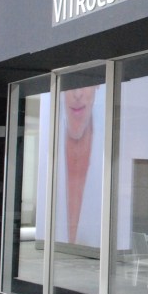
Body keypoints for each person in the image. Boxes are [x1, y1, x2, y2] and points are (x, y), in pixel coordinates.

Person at [55, 84, 103, 246]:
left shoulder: (113, 147)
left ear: (98, 85)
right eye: (71, 84)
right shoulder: (48, 141)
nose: (77, 94)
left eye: (85, 84)